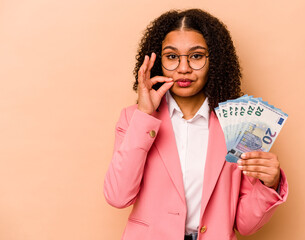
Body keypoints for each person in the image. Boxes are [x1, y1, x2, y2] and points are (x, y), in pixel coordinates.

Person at [104, 8, 288, 240]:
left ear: (215, 61)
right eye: (172, 57)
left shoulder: (239, 126)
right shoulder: (134, 119)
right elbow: (117, 197)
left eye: (196, 56)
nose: (184, 68)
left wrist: (269, 184)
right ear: (158, 61)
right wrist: (145, 115)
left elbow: (245, 224)